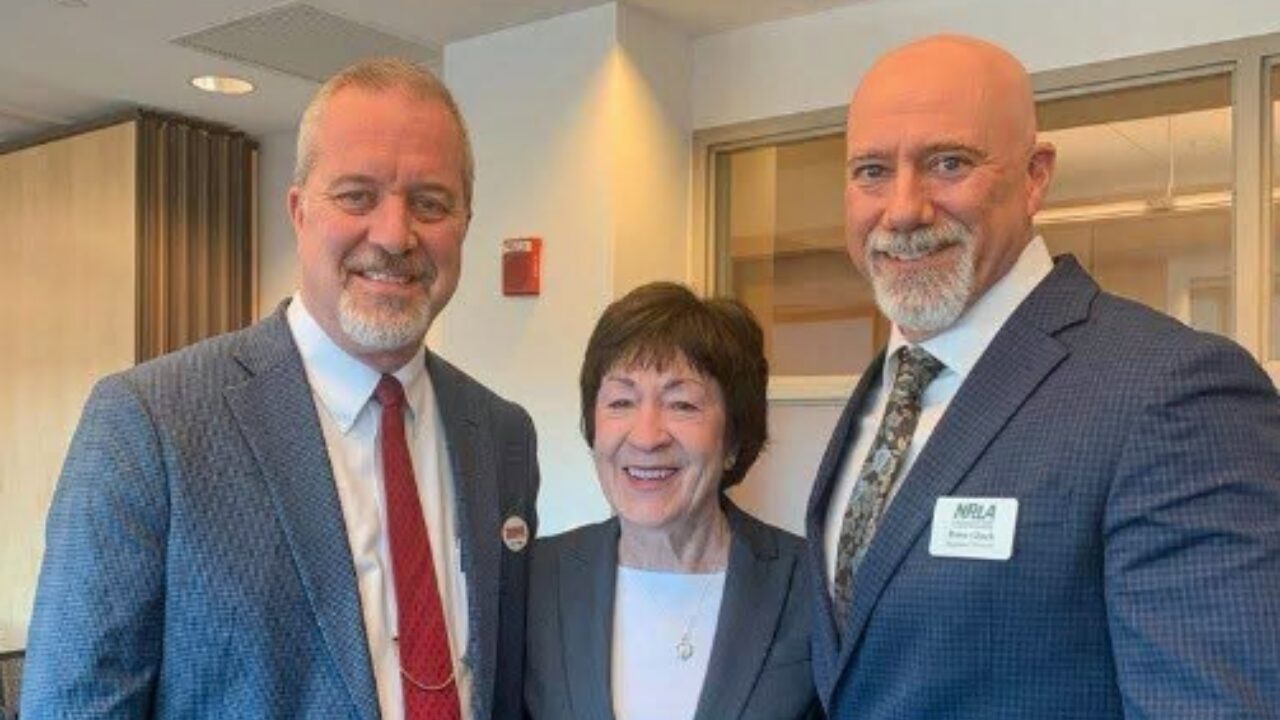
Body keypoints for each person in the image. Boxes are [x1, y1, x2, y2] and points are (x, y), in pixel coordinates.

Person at [22, 58, 539, 719]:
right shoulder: (151, 424)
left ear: (464, 222)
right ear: (298, 211)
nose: (393, 234)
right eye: (356, 195)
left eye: (430, 203)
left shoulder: (501, 436)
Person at [807, 34, 1280, 719]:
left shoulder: (1172, 391)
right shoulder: (887, 390)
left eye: (947, 163)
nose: (903, 208)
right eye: (872, 171)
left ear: (1035, 176)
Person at [525, 282, 820, 720]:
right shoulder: (538, 578)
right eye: (621, 401)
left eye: (682, 405)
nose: (646, 437)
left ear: (734, 437)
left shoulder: (810, 584)